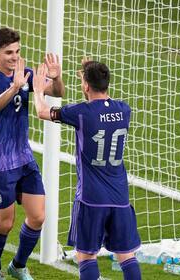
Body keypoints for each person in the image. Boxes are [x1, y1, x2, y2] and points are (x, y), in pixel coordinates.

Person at [32, 60, 142, 280]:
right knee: (126, 254)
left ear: (85, 86)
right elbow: (101, 106)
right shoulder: (124, 110)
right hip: (120, 196)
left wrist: (37, 90)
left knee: (86, 255)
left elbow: (42, 111)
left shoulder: (81, 112)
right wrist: (91, 72)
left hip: (91, 198)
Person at [0, 27, 65, 280]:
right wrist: (14, 88)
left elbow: (57, 93)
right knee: (5, 223)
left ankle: (18, 265)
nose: (15, 57)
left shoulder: (25, 74)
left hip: (23, 157)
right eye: (8, 53)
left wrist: (56, 78)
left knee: (38, 216)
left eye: (17, 51)